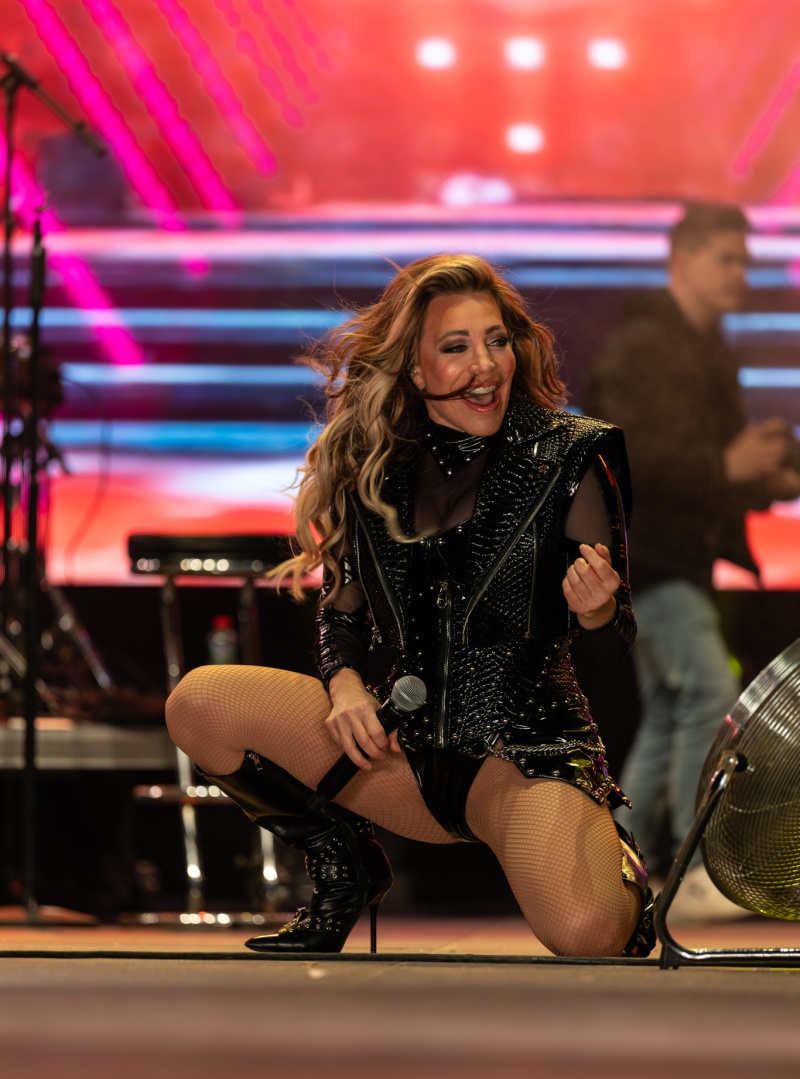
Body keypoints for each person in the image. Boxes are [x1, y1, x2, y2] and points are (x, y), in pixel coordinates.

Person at [165, 253, 655, 958]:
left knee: (589, 936)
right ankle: (346, 866)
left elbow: (614, 645)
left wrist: (599, 612)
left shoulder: (572, 456)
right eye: (456, 347)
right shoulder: (373, 466)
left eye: (496, 341)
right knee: (199, 703)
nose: (485, 366)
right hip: (403, 757)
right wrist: (345, 687)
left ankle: (615, 858)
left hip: (522, 757)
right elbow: (342, 612)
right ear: (415, 371)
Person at [583, 203, 800, 917]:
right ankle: (689, 864)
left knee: (674, 708)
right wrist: (729, 464)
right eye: (725, 259)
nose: (739, 274)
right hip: (646, 555)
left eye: (744, 261)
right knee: (707, 691)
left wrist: (762, 478)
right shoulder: (646, 345)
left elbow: (703, 464)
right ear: (681, 259)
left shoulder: (705, 345)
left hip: (671, 557)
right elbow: (625, 455)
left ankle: (614, 866)